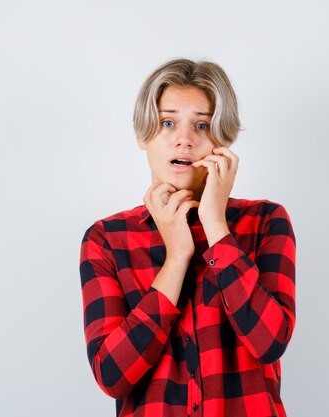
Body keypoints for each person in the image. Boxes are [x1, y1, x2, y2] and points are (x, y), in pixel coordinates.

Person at [79, 58, 296, 417]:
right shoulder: (107, 240)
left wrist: (214, 221)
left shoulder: (265, 222)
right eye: (167, 122)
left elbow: (269, 341)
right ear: (142, 135)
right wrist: (178, 255)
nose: (184, 139)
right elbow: (112, 376)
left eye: (202, 125)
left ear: (222, 141)